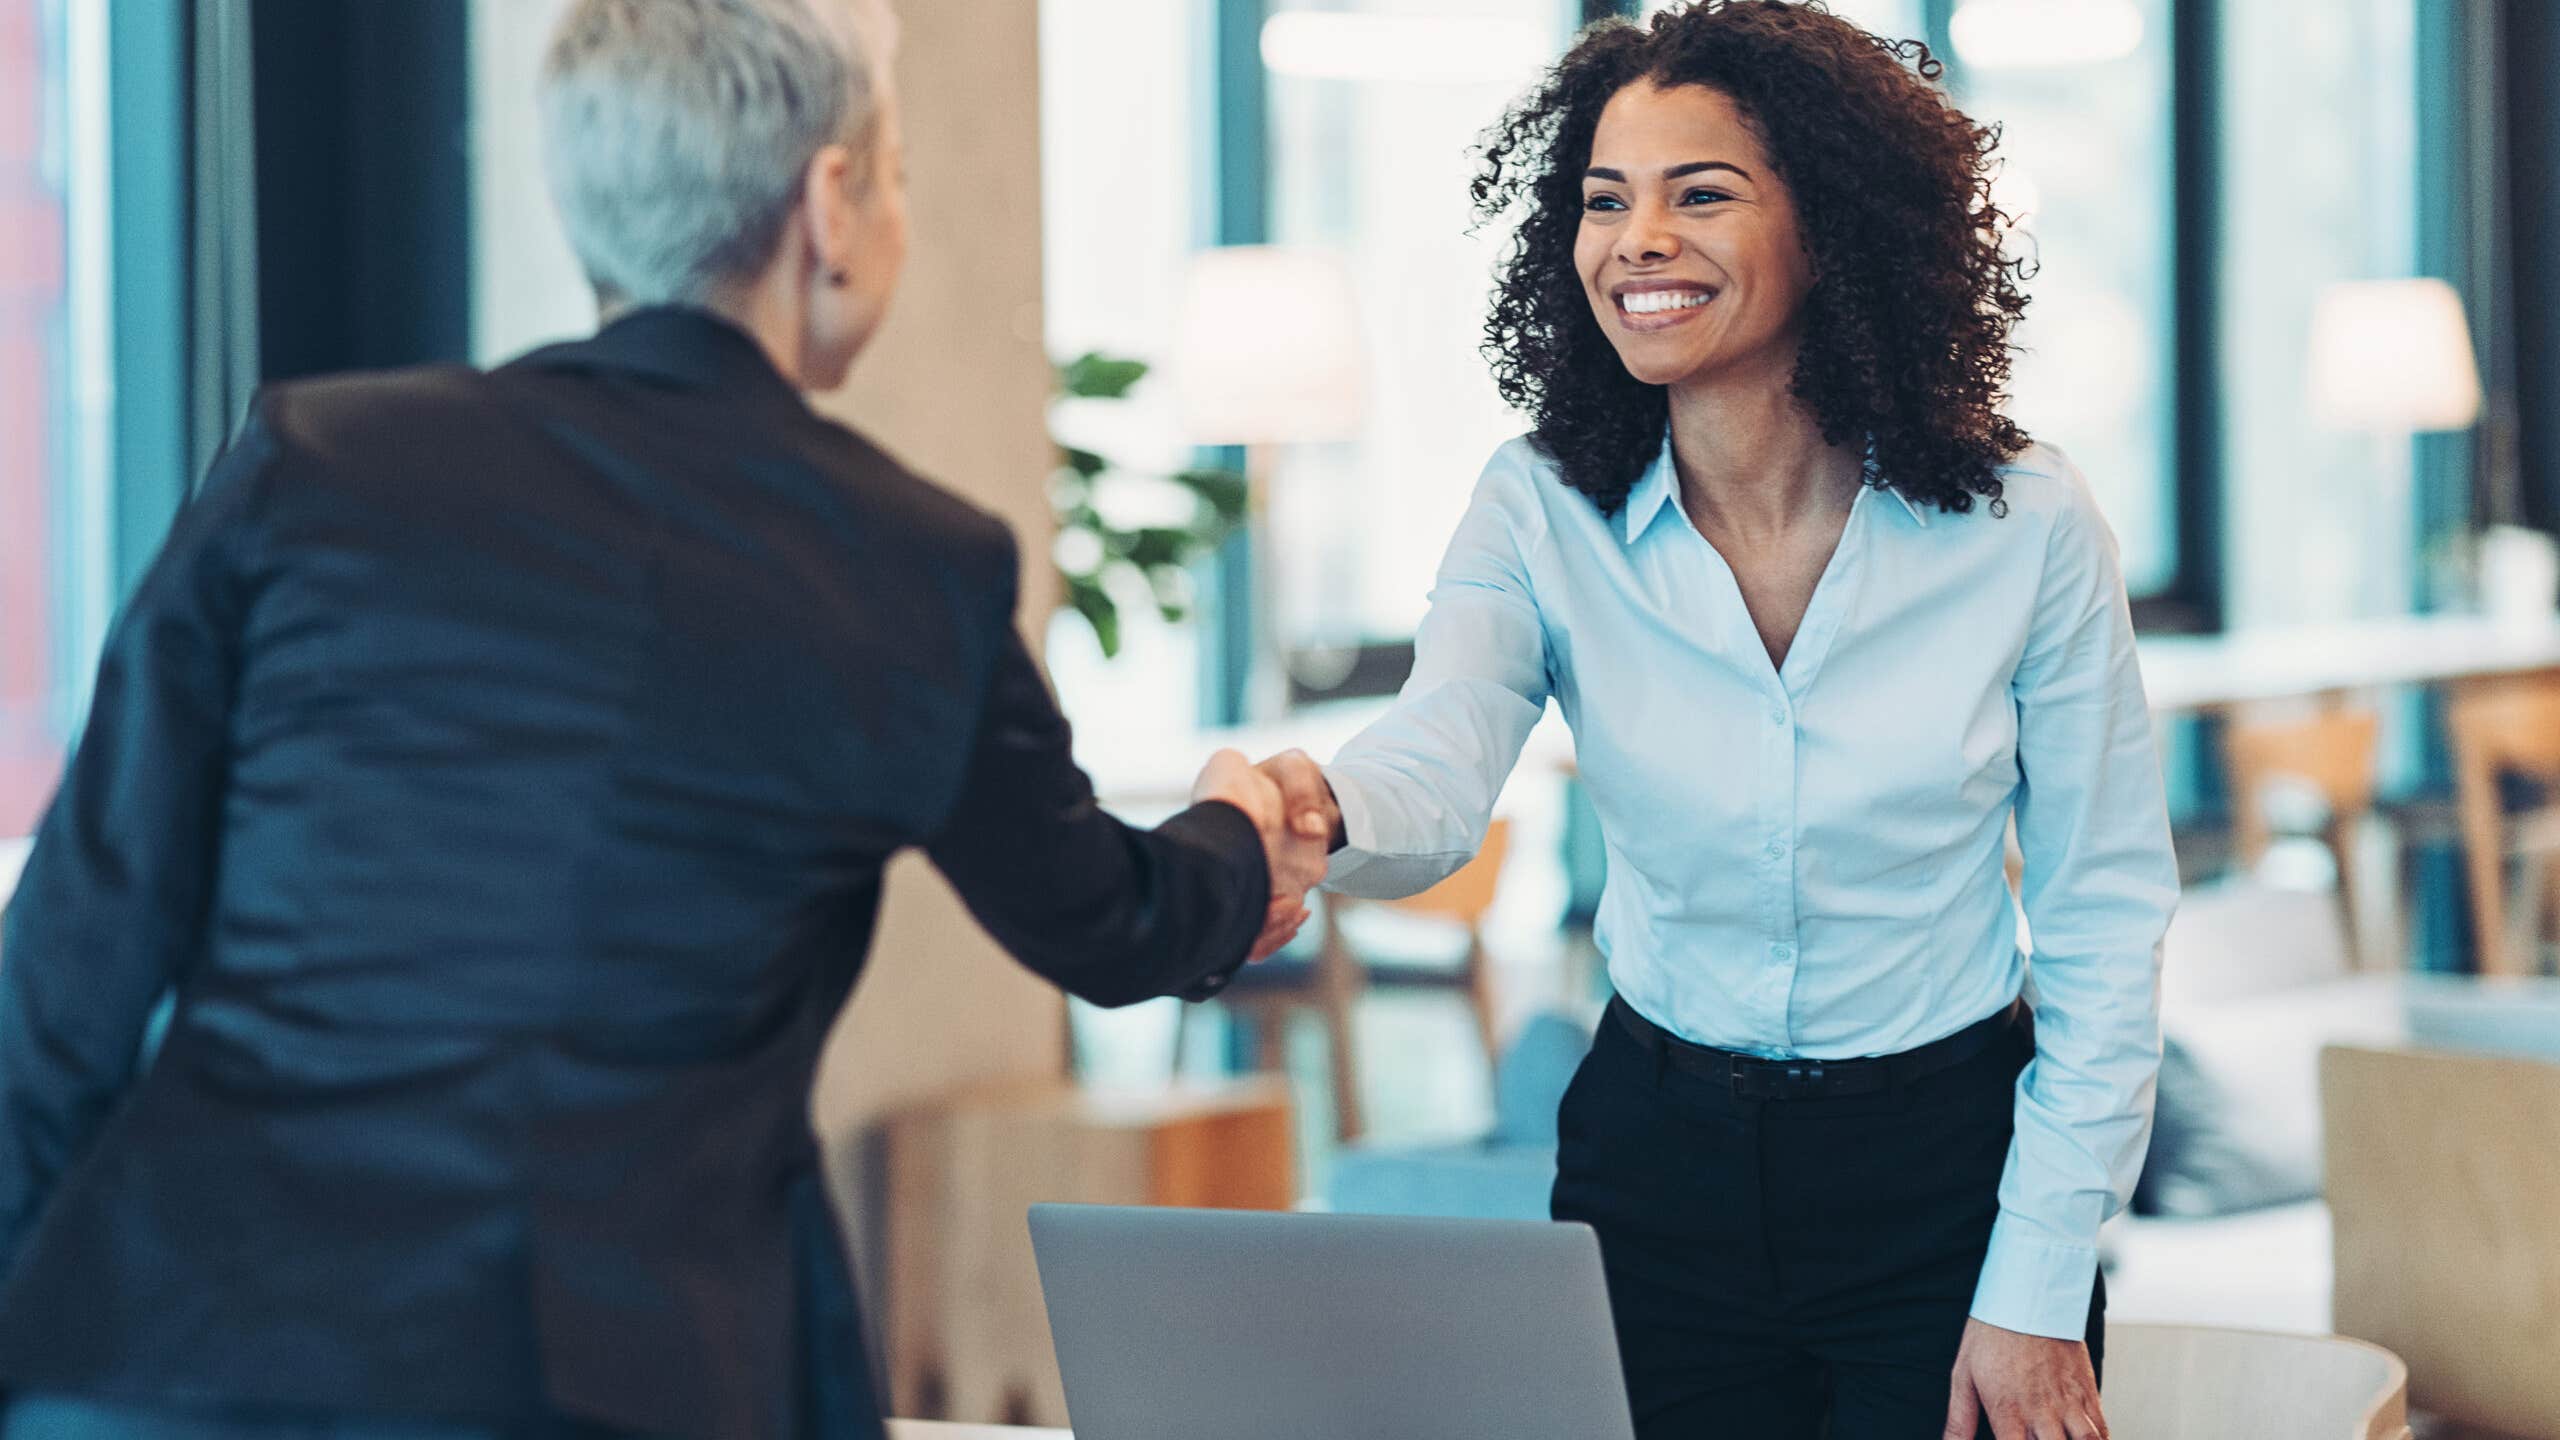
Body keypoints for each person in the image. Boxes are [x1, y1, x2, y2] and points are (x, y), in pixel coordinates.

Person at [0, 1, 1325, 1436]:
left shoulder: (306, 466)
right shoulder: (905, 562)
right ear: (832, 202)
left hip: (166, 1361)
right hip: (599, 1384)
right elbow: (1105, 921)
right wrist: (1242, 843)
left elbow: (69, 971)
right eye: (896, 172)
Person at [1253, 5, 2177, 1438]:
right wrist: (1314, 810)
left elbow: (2106, 917)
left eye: (1702, 193)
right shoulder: (1540, 504)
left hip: (1942, 1176)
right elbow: (1440, 749)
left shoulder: (2024, 524)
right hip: (1655, 1163)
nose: (1638, 241)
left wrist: (2039, 1285)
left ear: (1836, 228)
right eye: (1605, 201)